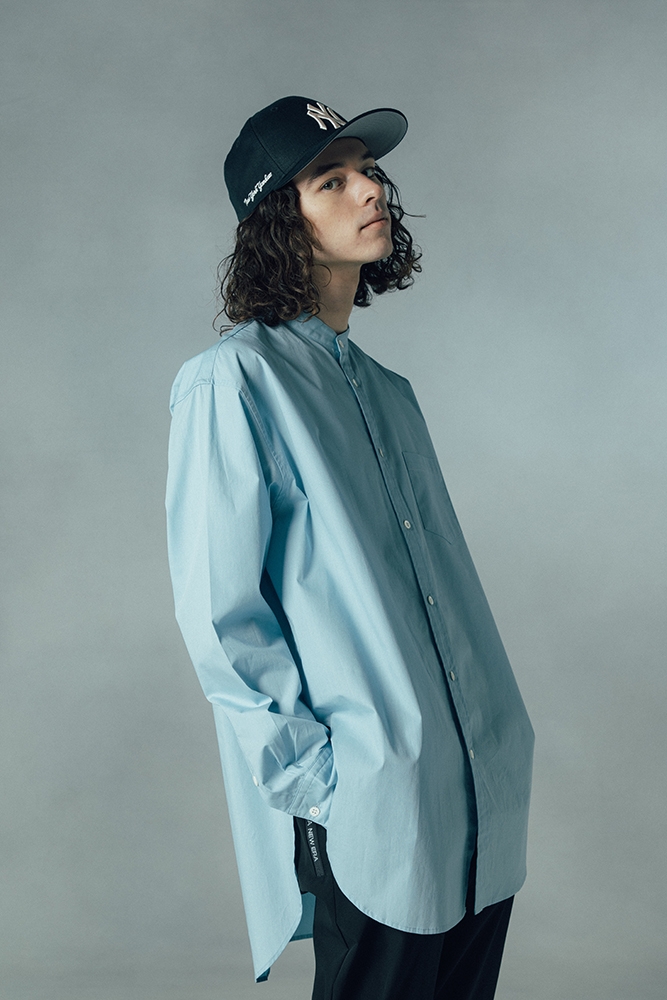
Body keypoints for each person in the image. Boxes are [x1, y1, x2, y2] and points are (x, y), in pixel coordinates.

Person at [165, 95, 534, 1000]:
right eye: (330, 180)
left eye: (366, 170)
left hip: (479, 791)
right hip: (374, 802)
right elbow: (221, 616)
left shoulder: (389, 392)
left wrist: (497, 737)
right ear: (276, 220)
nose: (369, 189)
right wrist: (322, 783)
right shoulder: (233, 382)